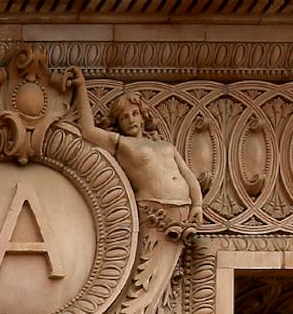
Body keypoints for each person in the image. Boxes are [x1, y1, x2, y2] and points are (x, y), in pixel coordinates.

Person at [66, 67, 203, 230]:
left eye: (134, 113)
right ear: (118, 123)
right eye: (124, 117)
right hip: (154, 215)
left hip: (184, 213)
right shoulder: (121, 143)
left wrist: (197, 205)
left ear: (143, 117)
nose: (130, 119)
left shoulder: (166, 146)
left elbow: (187, 174)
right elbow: (88, 130)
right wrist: (81, 87)